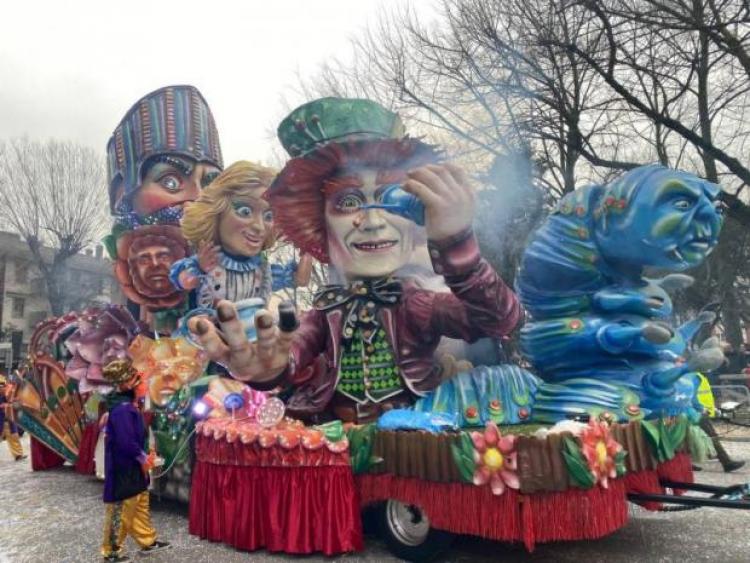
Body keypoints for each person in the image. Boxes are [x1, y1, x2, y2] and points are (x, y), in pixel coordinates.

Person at [189, 97, 522, 423]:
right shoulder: (324, 312)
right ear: (321, 224)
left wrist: (457, 245)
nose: (373, 221)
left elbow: (498, 318)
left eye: (390, 198)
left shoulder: (417, 303)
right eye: (348, 202)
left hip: (417, 443)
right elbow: (291, 353)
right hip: (337, 447)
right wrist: (267, 368)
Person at [170, 160, 312, 307]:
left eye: (269, 216)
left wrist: (308, 244)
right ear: (217, 212)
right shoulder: (207, 260)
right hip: (211, 325)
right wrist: (200, 268)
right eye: (245, 212)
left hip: (253, 327)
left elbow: (300, 279)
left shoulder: (262, 271)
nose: (259, 226)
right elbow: (183, 282)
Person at [100, 360, 170, 562]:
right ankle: (111, 551)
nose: (143, 384)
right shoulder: (123, 410)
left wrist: (145, 454)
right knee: (122, 508)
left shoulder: (128, 406)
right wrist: (143, 458)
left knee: (139, 503)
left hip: (134, 466)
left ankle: (147, 540)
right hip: (125, 467)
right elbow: (125, 442)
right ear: (127, 384)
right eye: (138, 380)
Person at [0, 374, 26, 461]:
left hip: (8, 418)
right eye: (1, 386)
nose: (3, 387)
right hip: (1, 419)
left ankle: (18, 455)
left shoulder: (8, 390)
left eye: (3, 385)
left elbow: (11, 399)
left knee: (14, 436)